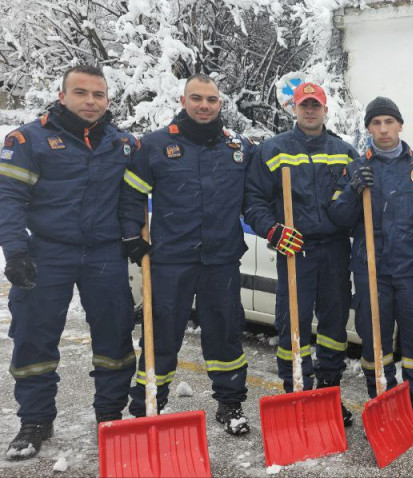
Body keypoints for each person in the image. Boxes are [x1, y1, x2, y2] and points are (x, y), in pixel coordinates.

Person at [0, 65, 139, 458]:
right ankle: (35, 421)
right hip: (48, 252)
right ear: (62, 96)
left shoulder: (123, 143)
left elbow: (134, 197)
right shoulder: (28, 139)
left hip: (105, 253)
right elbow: (8, 197)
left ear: (108, 99)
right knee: (33, 335)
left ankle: (110, 414)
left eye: (98, 94)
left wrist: (132, 235)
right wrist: (15, 250)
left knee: (115, 335)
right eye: (81, 93)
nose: (91, 101)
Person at [119, 74, 253, 434]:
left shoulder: (237, 148)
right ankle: (148, 406)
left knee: (225, 333)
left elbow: (254, 198)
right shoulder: (156, 145)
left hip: (221, 260)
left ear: (220, 104)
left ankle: (230, 404)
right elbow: (132, 195)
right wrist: (132, 235)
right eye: (197, 98)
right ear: (184, 101)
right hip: (170, 260)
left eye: (211, 99)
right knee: (161, 334)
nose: (204, 105)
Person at [327, 96, 413, 444]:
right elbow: (337, 217)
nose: (383, 129)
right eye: (376, 123)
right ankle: (384, 408)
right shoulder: (355, 169)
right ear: (368, 128)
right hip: (371, 273)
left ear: (400, 125)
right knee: (375, 347)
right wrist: (354, 192)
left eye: (389, 122)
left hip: (412, 274)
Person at [244, 82, 358, 425]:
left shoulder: (344, 152)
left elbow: (352, 204)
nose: (310, 110)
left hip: (335, 250)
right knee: (291, 324)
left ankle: (326, 393)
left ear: (325, 110)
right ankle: (296, 391)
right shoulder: (272, 150)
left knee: (334, 325)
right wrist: (273, 231)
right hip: (296, 250)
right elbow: (253, 201)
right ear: (293, 109)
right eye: (303, 105)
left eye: (316, 105)